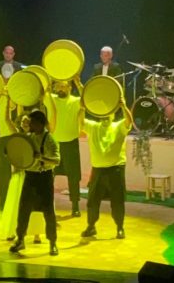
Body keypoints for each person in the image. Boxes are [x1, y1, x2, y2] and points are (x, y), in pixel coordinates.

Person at [79, 96, 133, 240]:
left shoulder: (118, 126)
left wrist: (123, 106)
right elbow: (80, 122)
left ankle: (120, 228)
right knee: (92, 201)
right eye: (102, 113)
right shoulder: (93, 127)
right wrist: (82, 108)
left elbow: (129, 121)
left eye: (108, 112)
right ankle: (91, 226)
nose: (105, 115)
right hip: (98, 170)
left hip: (116, 169)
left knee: (118, 201)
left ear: (113, 114)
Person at [10, 110, 60, 256]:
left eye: (32, 122)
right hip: (30, 176)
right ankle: (20, 239)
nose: (29, 125)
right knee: (23, 209)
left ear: (40, 123)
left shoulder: (50, 139)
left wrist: (42, 158)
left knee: (48, 212)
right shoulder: (29, 137)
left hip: (44, 177)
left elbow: (57, 160)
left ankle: (52, 242)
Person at [51, 77, 83, 217]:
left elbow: (86, 98)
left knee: (74, 177)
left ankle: (75, 206)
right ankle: (48, 206)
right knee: (48, 176)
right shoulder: (52, 99)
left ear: (70, 88)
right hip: (53, 144)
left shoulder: (75, 101)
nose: (60, 89)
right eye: (58, 86)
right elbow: (42, 92)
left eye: (63, 86)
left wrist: (78, 83)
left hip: (71, 144)